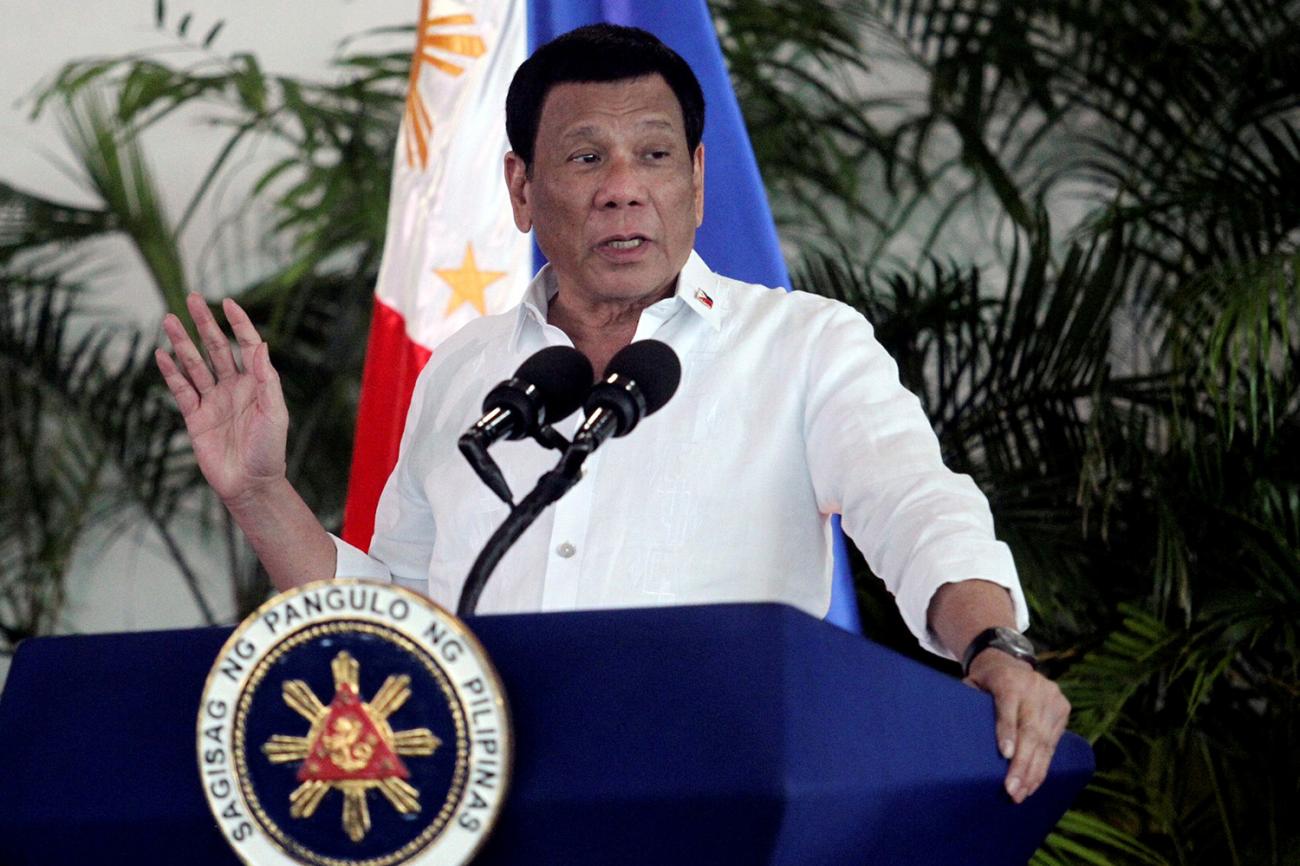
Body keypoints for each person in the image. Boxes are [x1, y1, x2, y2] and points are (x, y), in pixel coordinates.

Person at [156, 24, 1069, 804]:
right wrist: (262, 493)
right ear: (520, 188)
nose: (623, 186)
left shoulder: (803, 345)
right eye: (586, 156)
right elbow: (400, 629)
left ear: (699, 179)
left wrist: (992, 644)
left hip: (719, 805)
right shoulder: (462, 374)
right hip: (491, 815)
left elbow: (916, 506)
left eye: (656, 155)